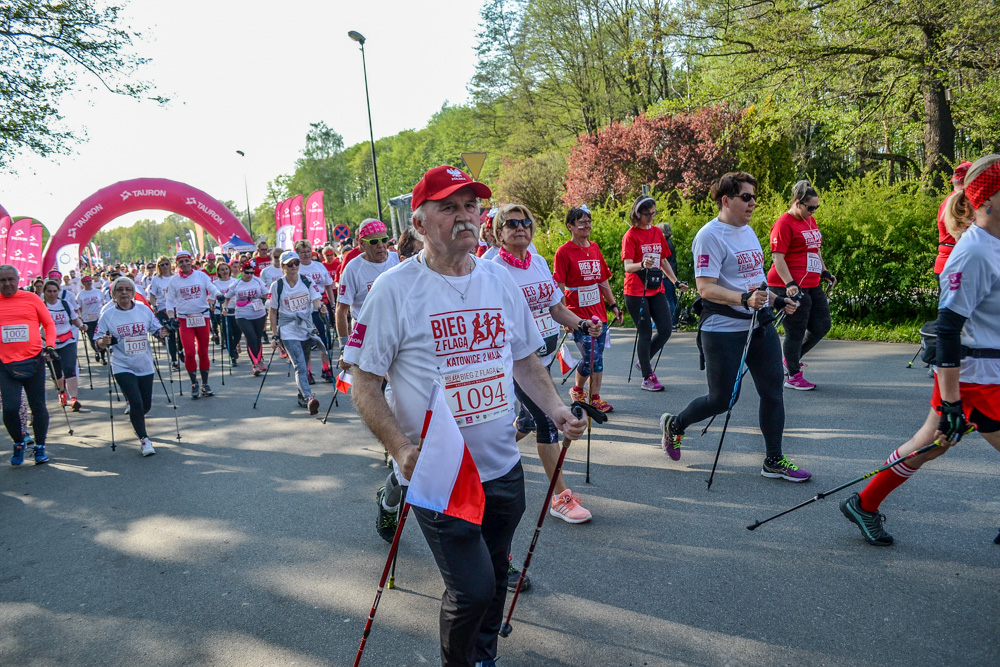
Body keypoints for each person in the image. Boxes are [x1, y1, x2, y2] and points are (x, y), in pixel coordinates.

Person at [345, 165, 587, 667]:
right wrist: (399, 449)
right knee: (473, 589)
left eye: (471, 206)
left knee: (496, 574)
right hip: (439, 472)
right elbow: (363, 382)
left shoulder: (499, 280)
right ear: (419, 222)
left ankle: (483, 657)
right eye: (448, 207)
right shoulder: (394, 289)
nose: (465, 217)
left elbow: (523, 357)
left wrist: (557, 408)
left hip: (502, 466)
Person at [841, 154, 1000, 546]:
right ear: (990, 198)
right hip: (976, 377)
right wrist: (950, 402)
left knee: (931, 443)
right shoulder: (974, 251)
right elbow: (948, 329)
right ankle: (863, 502)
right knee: (932, 440)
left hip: (985, 373)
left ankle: (864, 503)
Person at [659, 172, 810, 482]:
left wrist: (777, 300)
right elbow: (705, 288)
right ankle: (675, 425)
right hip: (723, 328)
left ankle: (773, 459)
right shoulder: (709, 236)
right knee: (722, 399)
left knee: (773, 392)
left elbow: (756, 281)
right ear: (726, 200)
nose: (753, 202)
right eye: (746, 197)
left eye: (754, 197)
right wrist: (744, 298)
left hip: (759, 325)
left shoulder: (749, 231)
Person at [493, 202, 602, 523]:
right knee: (544, 421)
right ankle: (561, 497)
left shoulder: (538, 262)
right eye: (511, 223)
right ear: (499, 233)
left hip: (546, 353)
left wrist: (583, 323)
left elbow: (557, 309)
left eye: (525, 222)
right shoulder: (493, 270)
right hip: (515, 360)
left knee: (526, 422)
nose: (520, 227)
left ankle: (476, 460)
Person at [766, 180, 837, 390]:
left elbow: (816, 249)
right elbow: (778, 258)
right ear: (797, 203)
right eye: (810, 207)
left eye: (817, 207)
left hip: (812, 282)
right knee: (795, 331)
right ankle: (793, 376)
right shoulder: (783, 224)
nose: (813, 212)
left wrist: (824, 271)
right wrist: (790, 283)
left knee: (822, 325)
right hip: (790, 284)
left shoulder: (809, 221)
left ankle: (791, 359)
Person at [554, 206, 623, 413]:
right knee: (593, 357)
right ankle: (587, 394)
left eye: (588, 222)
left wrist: (614, 305)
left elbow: (602, 281)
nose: (586, 225)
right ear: (570, 226)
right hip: (577, 316)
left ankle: (585, 393)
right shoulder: (563, 252)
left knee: (596, 357)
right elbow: (559, 286)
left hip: (598, 313)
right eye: (581, 222)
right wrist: (565, 317)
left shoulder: (594, 248)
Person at [95, 277, 168, 456]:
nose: (125, 293)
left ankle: (137, 419)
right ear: (113, 294)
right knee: (135, 402)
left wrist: (163, 332)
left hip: (144, 364)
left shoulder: (144, 310)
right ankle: (144, 439)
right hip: (122, 365)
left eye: (128, 289)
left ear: (133, 292)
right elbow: (97, 340)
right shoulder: (108, 314)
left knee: (145, 405)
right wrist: (102, 342)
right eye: (120, 290)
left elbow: (156, 329)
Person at [621, 196, 687, 391]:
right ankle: (647, 377)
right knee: (645, 332)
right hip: (636, 290)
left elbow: (664, 261)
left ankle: (644, 360)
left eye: (653, 213)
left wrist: (675, 282)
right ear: (637, 214)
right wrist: (641, 264)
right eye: (647, 214)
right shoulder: (631, 235)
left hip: (656, 287)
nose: (651, 217)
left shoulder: (657, 232)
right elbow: (627, 266)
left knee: (666, 329)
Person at [0, 265, 56, 465]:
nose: (7, 283)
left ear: (18, 279)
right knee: (10, 409)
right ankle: (18, 442)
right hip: (5, 365)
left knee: (38, 406)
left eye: (10, 279)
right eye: (2, 280)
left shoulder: (31, 299)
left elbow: (49, 324)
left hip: (33, 361)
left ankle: (40, 446)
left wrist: (49, 345)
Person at [268, 251, 326, 414]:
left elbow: (315, 299)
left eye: (296, 263)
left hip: (306, 328)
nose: (294, 266)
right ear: (282, 267)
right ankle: (309, 398)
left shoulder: (307, 281)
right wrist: (274, 335)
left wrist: (319, 307)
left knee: (305, 362)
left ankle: (301, 394)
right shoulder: (277, 286)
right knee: (300, 365)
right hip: (288, 330)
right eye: (290, 264)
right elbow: (272, 312)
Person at [335, 220, 400, 358]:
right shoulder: (353, 269)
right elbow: (341, 310)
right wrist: (344, 346)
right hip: (366, 335)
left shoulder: (398, 260)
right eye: (374, 242)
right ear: (362, 244)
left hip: (397, 331)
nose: (381, 246)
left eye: (384, 240)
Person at [165, 250, 221, 398]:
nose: (184, 264)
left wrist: (218, 295)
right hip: (184, 319)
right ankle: (194, 383)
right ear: (177, 264)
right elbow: (169, 302)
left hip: (202, 317)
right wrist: (171, 317)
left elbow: (211, 288)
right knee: (189, 353)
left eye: (186, 261)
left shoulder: (201, 275)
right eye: (181, 262)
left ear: (191, 262)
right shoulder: (174, 280)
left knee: (203, 352)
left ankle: (205, 383)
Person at [293, 240, 335, 381]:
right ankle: (308, 372)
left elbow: (328, 286)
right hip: (303, 310)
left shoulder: (319, 266)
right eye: (302, 252)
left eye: (307, 251)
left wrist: (333, 305)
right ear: (297, 254)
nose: (306, 255)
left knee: (324, 340)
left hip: (320, 308)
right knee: (306, 341)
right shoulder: (296, 269)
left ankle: (326, 368)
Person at [43, 279, 87, 411]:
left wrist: (81, 325)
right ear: (44, 292)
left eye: (55, 291)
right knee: (56, 372)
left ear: (59, 292)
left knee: (69, 369)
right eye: (49, 291)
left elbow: (74, 319)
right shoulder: (42, 306)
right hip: (50, 343)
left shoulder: (65, 304)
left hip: (67, 341)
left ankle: (74, 399)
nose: (52, 294)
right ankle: (61, 393)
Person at [934, 161, 974, 290]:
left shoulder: (948, 201)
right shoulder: (959, 204)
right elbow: (963, 237)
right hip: (954, 266)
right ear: (965, 180)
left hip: (949, 264)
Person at [224, 262, 269, 375]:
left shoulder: (258, 281)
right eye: (246, 273)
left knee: (258, 338)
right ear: (241, 272)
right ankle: (255, 364)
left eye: (251, 272)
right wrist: (224, 308)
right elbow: (227, 297)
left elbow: (266, 294)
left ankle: (259, 361)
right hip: (242, 314)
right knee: (251, 337)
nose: (249, 275)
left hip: (258, 313)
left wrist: (261, 298)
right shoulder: (236, 283)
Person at [148, 256, 183, 370]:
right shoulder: (156, 279)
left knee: (181, 333)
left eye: (166, 264)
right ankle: (174, 360)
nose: (165, 267)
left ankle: (181, 349)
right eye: (162, 265)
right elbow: (152, 295)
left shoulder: (176, 277)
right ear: (158, 267)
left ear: (170, 265)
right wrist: (155, 306)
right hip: (164, 309)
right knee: (170, 335)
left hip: (178, 308)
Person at [213, 262, 241, 367]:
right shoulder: (215, 284)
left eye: (226, 269)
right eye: (222, 269)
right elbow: (212, 298)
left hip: (235, 310)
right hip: (221, 312)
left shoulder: (235, 281)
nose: (225, 271)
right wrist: (212, 305)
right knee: (227, 334)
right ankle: (232, 357)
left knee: (238, 332)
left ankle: (233, 348)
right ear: (218, 272)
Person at [78, 275, 107, 365]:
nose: (89, 283)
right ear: (83, 283)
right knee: (92, 339)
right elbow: (79, 308)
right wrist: (80, 319)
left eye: (90, 281)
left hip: (99, 318)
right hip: (87, 319)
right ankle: (97, 351)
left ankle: (103, 357)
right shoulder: (80, 295)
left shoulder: (98, 292)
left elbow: (103, 303)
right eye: (86, 281)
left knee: (100, 337)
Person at [658, 223, 682, 330]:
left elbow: (663, 260)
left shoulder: (665, 244)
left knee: (669, 299)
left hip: (667, 275)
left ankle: (672, 322)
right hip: (672, 273)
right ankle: (674, 321)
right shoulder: (669, 242)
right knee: (672, 298)